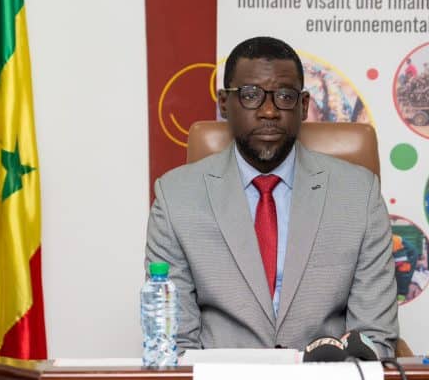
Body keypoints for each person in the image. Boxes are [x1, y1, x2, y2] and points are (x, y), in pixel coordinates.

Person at [145, 36, 399, 356]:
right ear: (224, 103)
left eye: (284, 96)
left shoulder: (359, 195)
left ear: (303, 106)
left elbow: (373, 337)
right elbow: (173, 344)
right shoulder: (175, 198)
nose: (268, 111)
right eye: (250, 95)